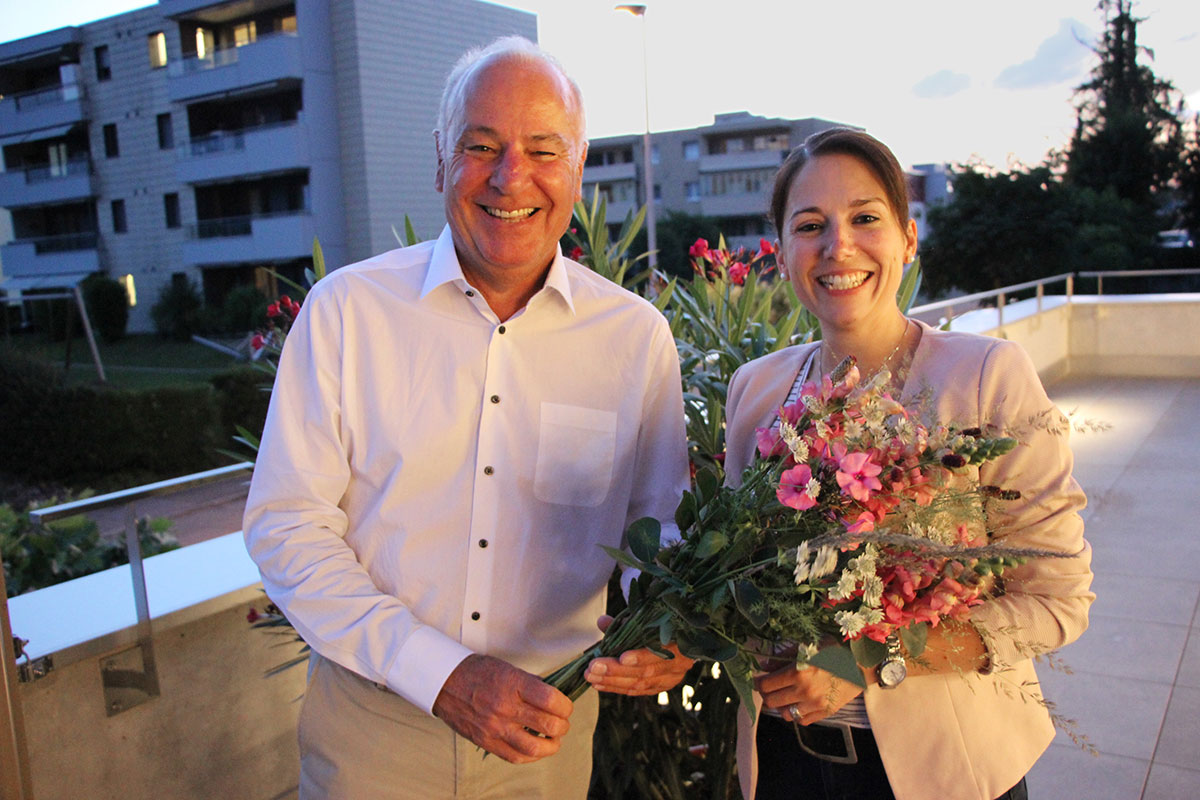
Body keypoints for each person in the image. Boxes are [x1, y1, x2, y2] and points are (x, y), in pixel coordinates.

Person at [243, 36, 692, 799]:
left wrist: (671, 629)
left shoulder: (634, 338)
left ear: (578, 169)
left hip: (548, 738)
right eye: (481, 145)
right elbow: (286, 525)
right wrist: (440, 674)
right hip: (371, 735)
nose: (510, 176)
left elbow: (665, 532)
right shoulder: (348, 313)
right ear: (440, 160)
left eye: (543, 150)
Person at [723, 128, 1094, 800]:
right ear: (781, 253)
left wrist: (865, 660)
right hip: (783, 764)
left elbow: (1057, 600)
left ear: (908, 238)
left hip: (941, 774)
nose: (838, 247)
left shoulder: (985, 379)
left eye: (866, 218)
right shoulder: (754, 390)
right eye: (810, 225)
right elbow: (740, 581)